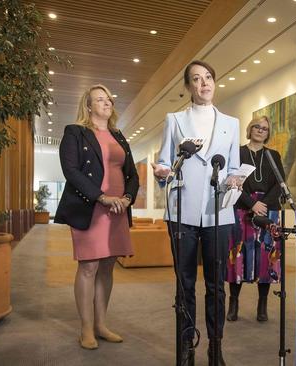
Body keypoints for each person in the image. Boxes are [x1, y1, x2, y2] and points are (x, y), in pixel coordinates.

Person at [151, 60, 239, 366]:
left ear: (215, 82)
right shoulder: (174, 120)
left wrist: (235, 177)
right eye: (196, 79)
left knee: (217, 285)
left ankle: (216, 347)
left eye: (208, 77)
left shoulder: (231, 122)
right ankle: (186, 346)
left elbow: (234, 165)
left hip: (218, 211)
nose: (204, 83)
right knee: (184, 283)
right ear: (188, 87)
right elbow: (163, 163)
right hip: (182, 211)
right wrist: (161, 172)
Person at [54, 84, 139, 350]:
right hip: (91, 207)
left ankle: (101, 325)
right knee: (89, 266)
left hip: (117, 209)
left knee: (107, 266)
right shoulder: (75, 132)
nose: (106, 102)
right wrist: (102, 197)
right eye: (99, 99)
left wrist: (126, 199)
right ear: (88, 106)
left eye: (108, 99)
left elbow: (132, 174)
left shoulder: (118, 135)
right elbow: (71, 170)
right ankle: (86, 329)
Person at [226, 116, 285, 323]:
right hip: (242, 209)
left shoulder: (273, 155)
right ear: (250, 129)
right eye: (257, 127)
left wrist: (263, 205)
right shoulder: (238, 153)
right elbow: (232, 182)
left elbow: (280, 184)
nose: (260, 131)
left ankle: (262, 304)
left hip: (268, 212)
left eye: (265, 129)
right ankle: (233, 303)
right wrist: (252, 204)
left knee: (266, 258)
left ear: (268, 133)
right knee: (238, 258)